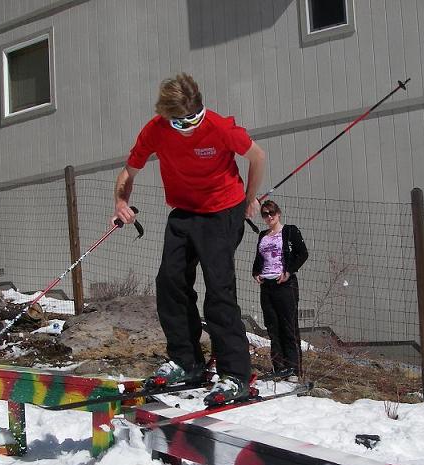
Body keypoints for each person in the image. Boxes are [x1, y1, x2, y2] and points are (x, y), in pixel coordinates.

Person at [113, 73, 266, 405]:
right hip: (184, 212)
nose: (189, 127)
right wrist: (121, 203)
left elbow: (257, 156)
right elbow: (129, 171)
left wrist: (249, 198)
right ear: (166, 116)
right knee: (170, 283)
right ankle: (187, 361)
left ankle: (235, 374)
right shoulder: (155, 130)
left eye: (194, 118)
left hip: (222, 211)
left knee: (218, 291)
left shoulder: (220, 127)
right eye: (181, 123)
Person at [252, 200, 308, 378]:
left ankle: (293, 370)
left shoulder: (290, 231)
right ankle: (279, 368)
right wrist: (256, 272)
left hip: (285, 285)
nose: (269, 217)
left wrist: (289, 272)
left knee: (288, 327)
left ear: (278, 213)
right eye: (265, 214)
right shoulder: (263, 235)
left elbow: (303, 253)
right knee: (273, 328)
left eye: (272, 212)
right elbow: (259, 258)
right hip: (267, 286)